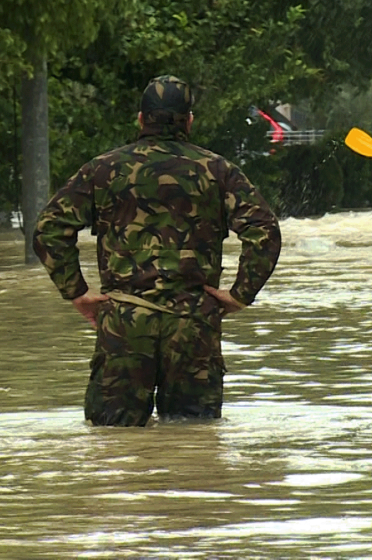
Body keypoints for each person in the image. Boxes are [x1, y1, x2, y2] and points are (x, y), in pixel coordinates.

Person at [33, 75, 281, 427]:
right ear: (189, 121)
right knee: (194, 439)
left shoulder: (103, 170)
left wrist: (76, 292)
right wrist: (240, 294)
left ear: (141, 119)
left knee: (112, 442)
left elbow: (49, 229)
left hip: (124, 324)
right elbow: (265, 231)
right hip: (193, 327)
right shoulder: (218, 171)